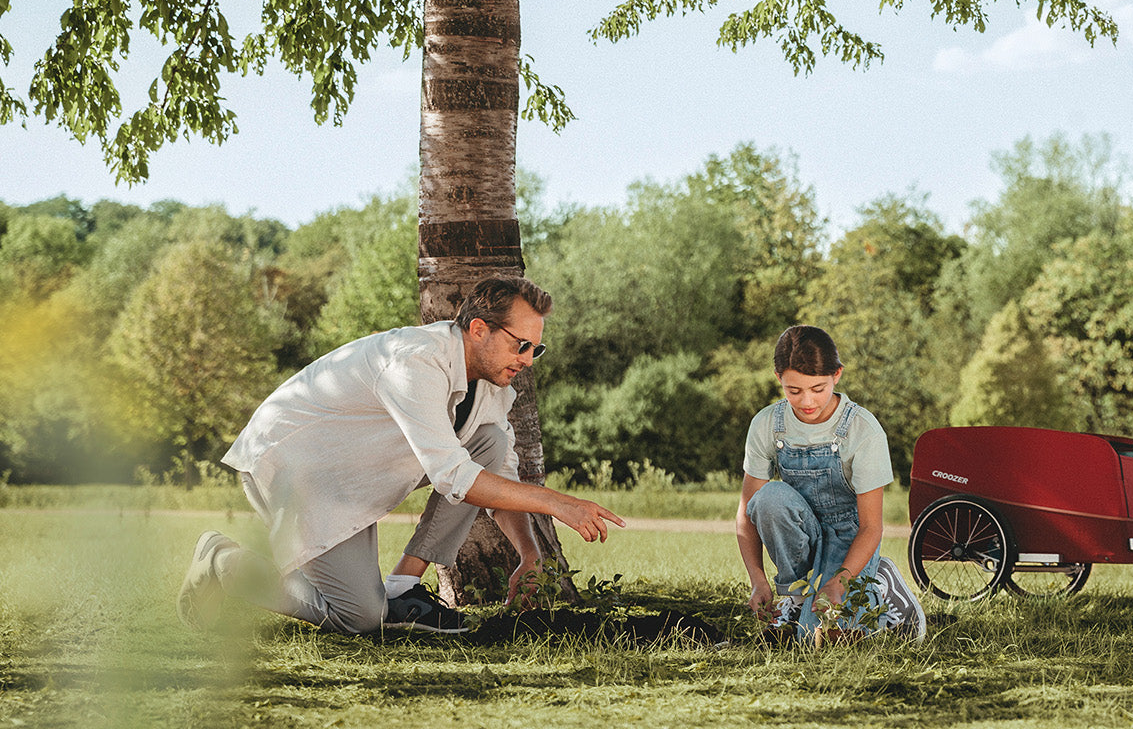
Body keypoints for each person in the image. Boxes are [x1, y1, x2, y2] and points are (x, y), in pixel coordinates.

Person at [176, 275, 623, 634]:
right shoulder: (416, 362)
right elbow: (452, 476)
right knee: (360, 617)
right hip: (296, 468)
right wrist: (557, 503)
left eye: (535, 349)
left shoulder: (492, 383)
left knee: (492, 441)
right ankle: (223, 561)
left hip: (350, 476)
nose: (527, 359)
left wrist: (529, 553)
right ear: (479, 329)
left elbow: (498, 471)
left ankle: (403, 586)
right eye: (519, 345)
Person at [734, 325, 926, 641]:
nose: (807, 401)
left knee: (828, 638)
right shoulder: (767, 424)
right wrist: (757, 579)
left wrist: (839, 581)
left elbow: (871, 527)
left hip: (851, 538)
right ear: (778, 377)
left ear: (836, 375)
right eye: (794, 390)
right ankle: (796, 598)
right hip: (803, 532)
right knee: (769, 497)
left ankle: (881, 583)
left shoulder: (863, 430)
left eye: (818, 388)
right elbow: (747, 512)